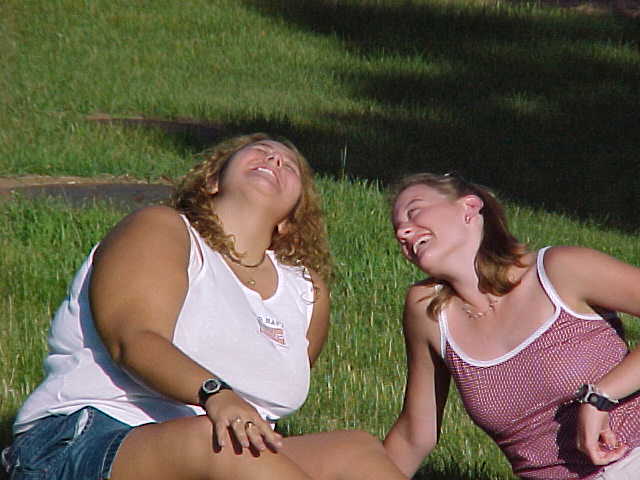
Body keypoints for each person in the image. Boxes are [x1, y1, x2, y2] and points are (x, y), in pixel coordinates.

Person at [2, 133, 407, 480]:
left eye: (289, 166)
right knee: (216, 440)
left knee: (355, 450)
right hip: (88, 441)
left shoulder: (305, 293)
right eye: (260, 151)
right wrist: (215, 394)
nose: (274, 160)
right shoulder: (162, 228)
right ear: (212, 180)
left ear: (291, 218)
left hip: (223, 454)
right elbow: (133, 338)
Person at [383, 172, 640, 479]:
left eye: (414, 211)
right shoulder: (429, 312)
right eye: (398, 228)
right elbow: (414, 435)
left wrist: (601, 396)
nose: (403, 231)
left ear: (469, 207)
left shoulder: (559, 270)